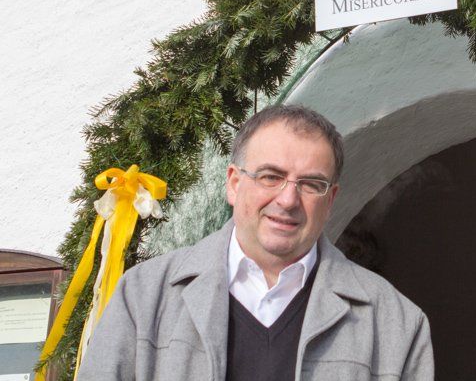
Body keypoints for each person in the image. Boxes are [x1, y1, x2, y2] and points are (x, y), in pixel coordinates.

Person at [78, 104, 433, 380]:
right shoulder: (144, 297)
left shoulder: (395, 323)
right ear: (234, 184)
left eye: (311, 184)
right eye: (271, 176)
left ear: (330, 200)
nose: (288, 200)